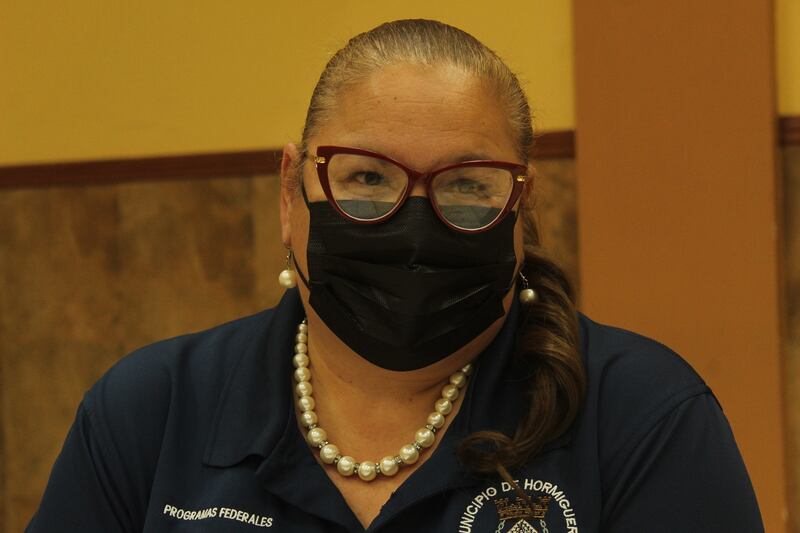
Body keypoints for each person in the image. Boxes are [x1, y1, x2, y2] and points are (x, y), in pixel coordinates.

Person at [28, 19, 763, 532]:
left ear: (521, 205)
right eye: (366, 177)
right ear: (291, 191)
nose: (413, 222)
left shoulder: (644, 419)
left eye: (467, 184)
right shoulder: (149, 411)